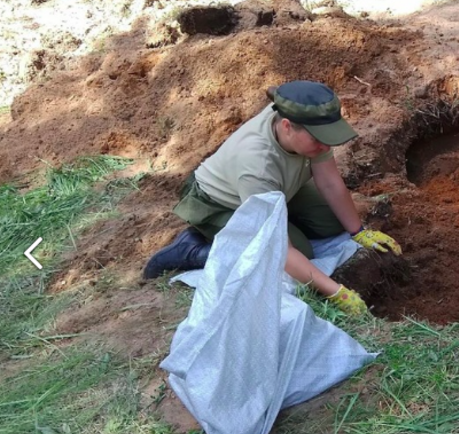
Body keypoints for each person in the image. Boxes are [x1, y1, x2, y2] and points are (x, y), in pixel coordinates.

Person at [142, 80, 401, 316]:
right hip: (221, 203)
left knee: (334, 222)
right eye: (319, 140)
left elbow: (330, 182)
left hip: (280, 189)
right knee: (299, 251)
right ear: (287, 127)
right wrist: (336, 292)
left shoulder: (304, 123)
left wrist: (359, 232)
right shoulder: (257, 164)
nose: (325, 146)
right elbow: (283, 251)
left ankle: (285, 219)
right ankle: (192, 248)